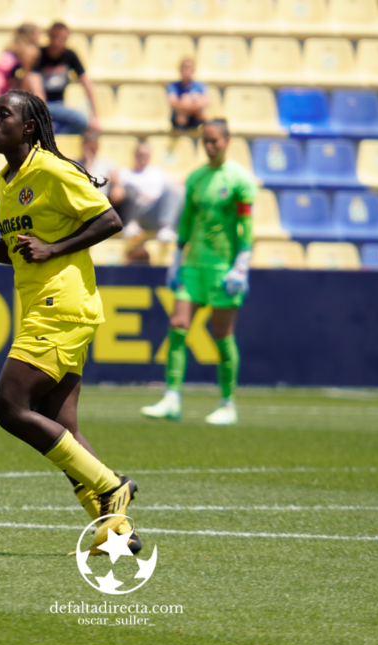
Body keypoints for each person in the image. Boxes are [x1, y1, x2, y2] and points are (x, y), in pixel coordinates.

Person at [0, 89, 139, 556]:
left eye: (4, 114)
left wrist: (55, 250)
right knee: (62, 425)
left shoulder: (53, 169)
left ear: (30, 126)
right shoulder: (5, 180)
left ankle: (110, 484)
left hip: (62, 303)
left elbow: (110, 219)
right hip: (46, 305)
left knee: (9, 406)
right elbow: (22, 250)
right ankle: (114, 530)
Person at [141, 119, 257, 426]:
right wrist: (177, 256)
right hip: (194, 265)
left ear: (227, 141)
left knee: (222, 334)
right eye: (205, 141)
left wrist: (241, 265)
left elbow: (246, 226)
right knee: (177, 325)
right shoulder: (196, 178)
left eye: (215, 141)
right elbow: (187, 221)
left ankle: (227, 402)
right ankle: (171, 398)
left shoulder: (240, 180)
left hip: (223, 267)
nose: (210, 146)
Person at [24, 22, 99, 135]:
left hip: (59, 104)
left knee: (81, 121)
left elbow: (86, 82)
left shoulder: (69, 55)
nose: (58, 41)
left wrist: (95, 115)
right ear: (49, 36)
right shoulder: (39, 55)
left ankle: (52, 135)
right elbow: (35, 86)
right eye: (55, 37)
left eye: (62, 38)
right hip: (41, 104)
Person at [118, 141, 183, 242]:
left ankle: (166, 228)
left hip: (153, 211)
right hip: (134, 210)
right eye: (141, 155)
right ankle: (130, 224)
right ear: (135, 155)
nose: (144, 158)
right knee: (128, 191)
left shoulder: (158, 172)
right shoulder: (124, 173)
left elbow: (172, 190)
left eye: (147, 155)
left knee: (176, 191)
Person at [78, 129, 136, 231]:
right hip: (83, 203)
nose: (92, 150)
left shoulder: (106, 164)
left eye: (94, 146)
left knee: (129, 191)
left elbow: (116, 182)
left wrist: (116, 186)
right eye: (89, 146)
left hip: (104, 202)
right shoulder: (74, 164)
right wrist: (88, 163)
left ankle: (129, 224)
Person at [167, 58, 208, 131]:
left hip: (195, 113)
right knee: (185, 99)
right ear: (180, 69)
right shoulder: (173, 85)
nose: (187, 70)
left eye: (189, 68)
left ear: (193, 70)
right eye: (185, 67)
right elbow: (173, 102)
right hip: (180, 115)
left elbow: (206, 102)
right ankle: (180, 129)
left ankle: (204, 127)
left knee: (196, 99)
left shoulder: (199, 85)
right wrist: (186, 104)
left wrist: (191, 104)